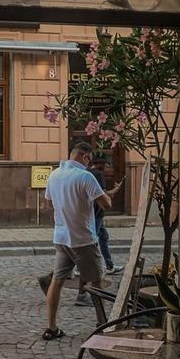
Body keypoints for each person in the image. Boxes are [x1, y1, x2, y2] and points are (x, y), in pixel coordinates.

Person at [38, 142, 112, 339]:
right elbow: (106, 204)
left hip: (61, 237)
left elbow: (48, 203)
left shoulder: (54, 174)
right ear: (86, 157)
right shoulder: (85, 176)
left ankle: (52, 327)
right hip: (83, 238)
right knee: (96, 281)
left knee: (57, 281)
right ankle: (101, 324)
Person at [88, 153, 125, 275]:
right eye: (104, 163)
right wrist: (116, 190)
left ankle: (109, 265)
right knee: (92, 240)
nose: (105, 165)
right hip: (97, 211)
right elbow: (103, 194)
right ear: (99, 163)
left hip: (91, 210)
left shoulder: (87, 172)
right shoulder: (98, 174)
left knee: (103, 236)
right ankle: (83, 267)